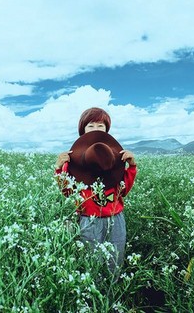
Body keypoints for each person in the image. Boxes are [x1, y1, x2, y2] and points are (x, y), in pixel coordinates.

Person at [55, 107, 137, 278]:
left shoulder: (114, 157)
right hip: (87, 219)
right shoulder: (73, 160)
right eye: (90, 126)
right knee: (90, 264)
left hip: (115, 219)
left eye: (101, 126)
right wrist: (59, 169)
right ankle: (91, 301)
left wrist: (131, 167)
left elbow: (123, 191)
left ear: (107, 130)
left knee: (115, 261)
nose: (95, 130)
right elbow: (67, 192)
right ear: (82, 130)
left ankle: (111, 298)